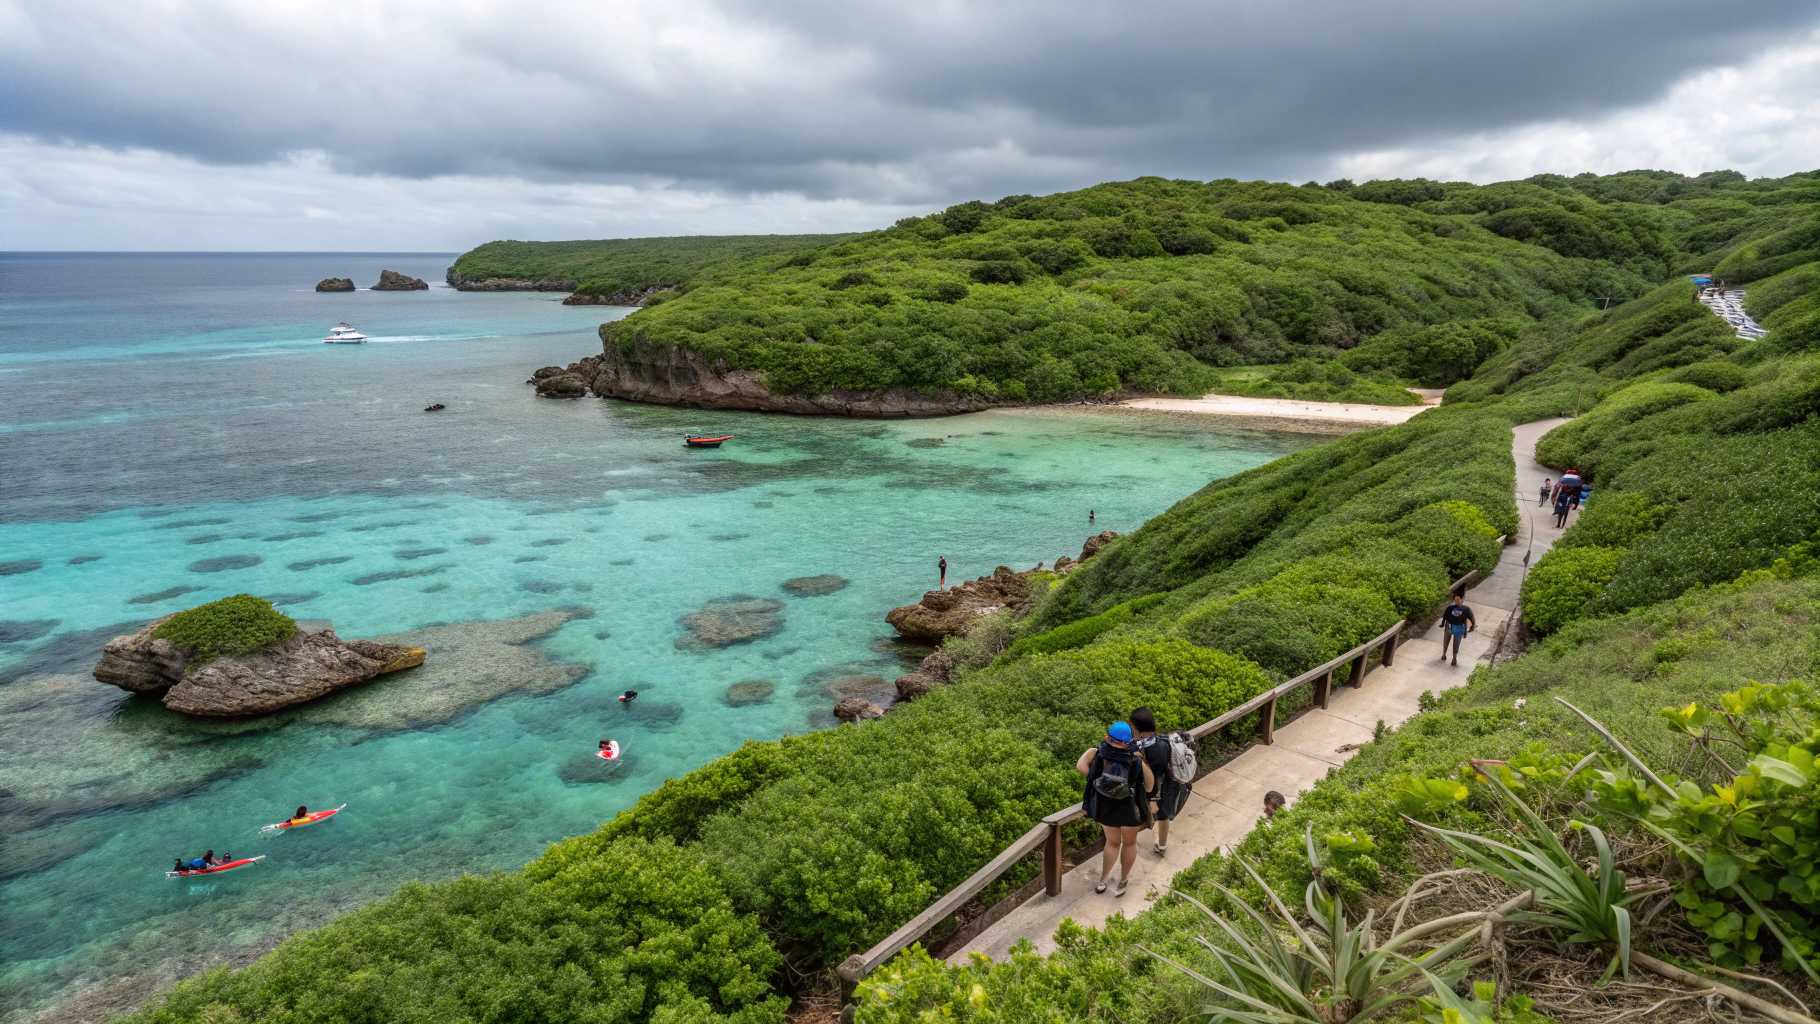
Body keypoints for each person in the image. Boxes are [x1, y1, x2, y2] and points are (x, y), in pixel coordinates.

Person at [1077, 721, 1153, 897]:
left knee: (1111, 843)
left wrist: (1101, 784)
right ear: (1128, 742)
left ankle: (1103, 881)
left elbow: (1081, 766)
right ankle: (1123, 881)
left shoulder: (1095, 752)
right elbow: (1149, 787)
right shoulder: (1135, 759)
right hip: (1129, 808)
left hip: (1105, 807)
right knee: (1129, 843)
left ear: (1107, 738)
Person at [1131, 707, 1189, 855]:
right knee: (1163, 815)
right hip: (1168, 784)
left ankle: (1161, 845)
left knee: (1162, 815)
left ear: (1139, 728)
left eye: (1132, 725)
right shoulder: (1155, 740)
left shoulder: (1155, 748)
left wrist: (1153, 799)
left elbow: (1159, 775)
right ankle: (1162, 845)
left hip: (1166, 787)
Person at [1439, 593, 1475, 666]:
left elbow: (1472, 618)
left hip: (1459, 627)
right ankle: (1443, 654)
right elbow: (1445, 616)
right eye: (1455, 599)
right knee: (1446, 640)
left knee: (1456, 643)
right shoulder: (1450, 607)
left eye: (1458, 599)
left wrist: (1472, 626)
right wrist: (1443, 623)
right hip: (1449, 625)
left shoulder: (1466, 609)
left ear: (1462, 600)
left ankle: (1454, 658)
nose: (1457, 601)